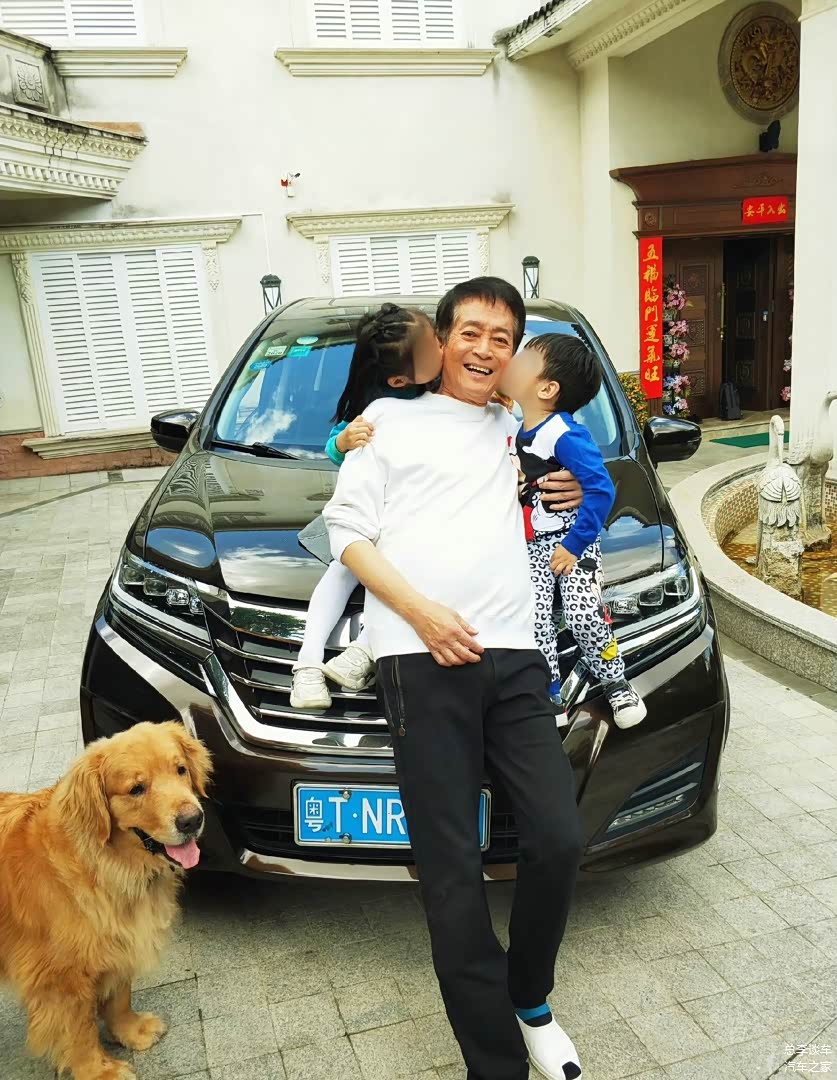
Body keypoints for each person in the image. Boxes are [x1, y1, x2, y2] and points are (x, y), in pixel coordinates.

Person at [323, 277, 585, 1080]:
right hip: (419, 657)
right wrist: (421, 614)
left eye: (500, 338)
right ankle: (495, 1064)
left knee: (557, 838)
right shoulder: (386, 422)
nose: (483, 348)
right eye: (469, 332)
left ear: (513, 354)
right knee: (450, 871)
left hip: (515, 658)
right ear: (440, 341)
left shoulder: (517, 426)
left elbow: (571, 477)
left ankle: (528, 996)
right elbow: (346, 533)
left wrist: (574, 491)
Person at [290, 303, 442, 710]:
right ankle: (307, 664)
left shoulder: (446, 394)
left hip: (406, 523)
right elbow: (335, 446)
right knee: (342, 570)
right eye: (431, 346)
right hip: (365, 516)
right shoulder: (374, 408)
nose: (441, 347)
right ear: (399, 378)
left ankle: (362, 650)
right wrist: (342, 442)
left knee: (405, 574)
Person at [501, 333, 647, 729]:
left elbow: (601, 490)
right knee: (535, 619)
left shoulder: (565, 435)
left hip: (571, 544)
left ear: (547, 389)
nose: (512, 362)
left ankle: (616, 682)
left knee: (584, 615)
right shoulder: (515, 430)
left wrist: (574, 544)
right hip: (532, 545)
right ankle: (551, 694)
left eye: (524, 360)